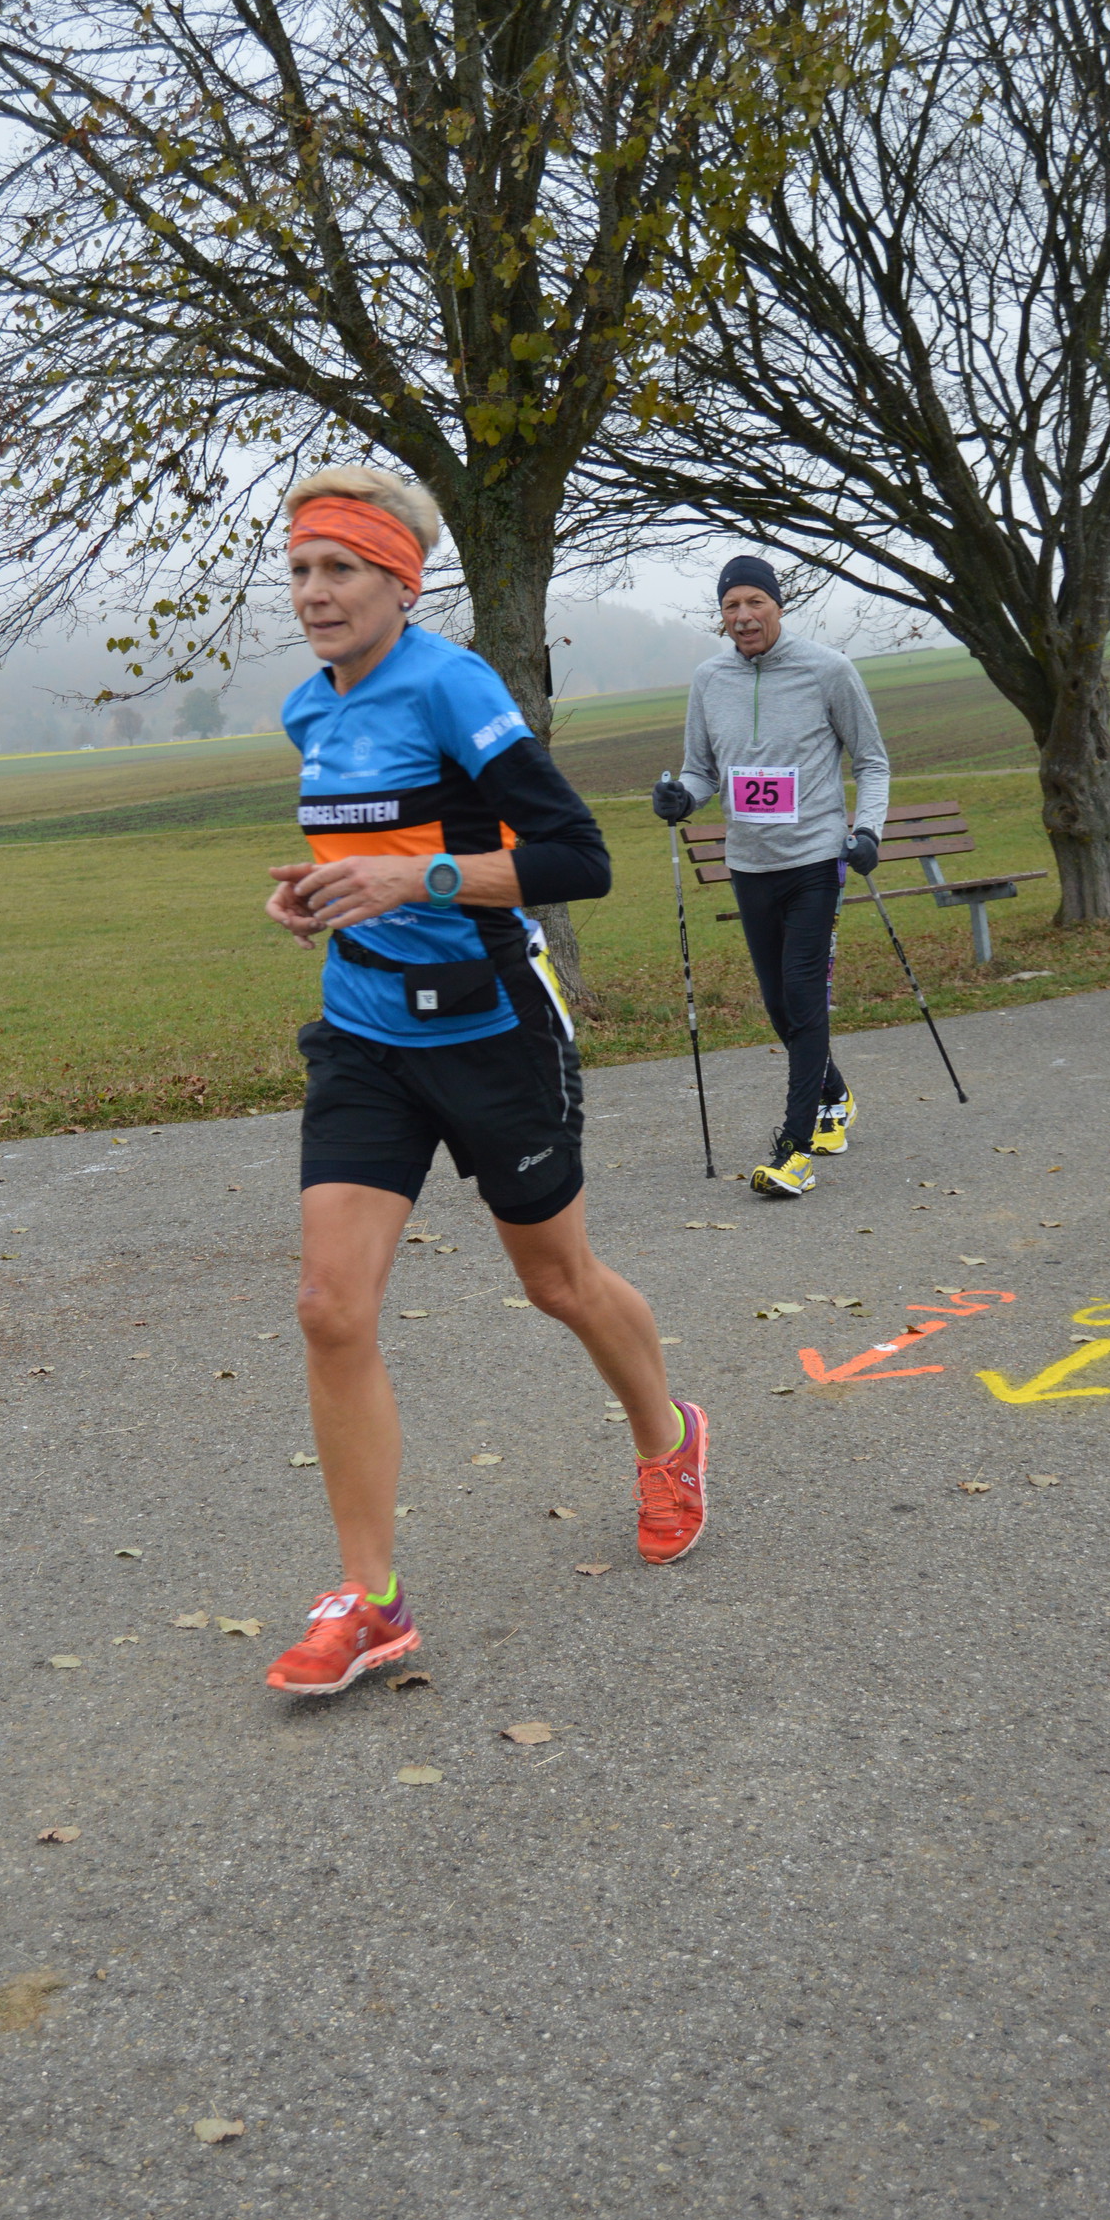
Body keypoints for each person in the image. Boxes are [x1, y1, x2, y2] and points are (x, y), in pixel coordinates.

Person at [260, 464, 709, 1697]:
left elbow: (577, 858)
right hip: (363, 1033)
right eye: (299, 571)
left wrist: (419, 881)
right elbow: (366, 852)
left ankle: (668, 1438)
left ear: (400, 582)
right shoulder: (308, 710)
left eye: (340, 569)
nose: (313, 592)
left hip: (489, 1025)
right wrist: (315, 897)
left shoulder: (452, 685)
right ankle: (369, 1601)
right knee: (328, 1306)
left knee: (556, 1280)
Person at [653, 556, 890, 1197]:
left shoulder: (828, 669)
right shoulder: (710, 679)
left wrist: (868, 831)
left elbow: (872, 762)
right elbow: (700, 770)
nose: (743, 616)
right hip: (749, 864)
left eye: (754, 602)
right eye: (731, 606)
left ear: (778, 605)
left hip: (815, 860)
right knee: (780, 1006)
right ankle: (835, 1094)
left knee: (804, 998)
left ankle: (794, 1150)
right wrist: (682, 797)